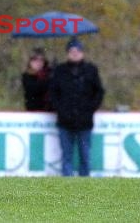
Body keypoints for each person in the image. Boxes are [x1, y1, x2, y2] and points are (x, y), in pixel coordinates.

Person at [49, 37, 104, 177]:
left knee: (85, 156)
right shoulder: (59, 70)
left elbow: (99, 92)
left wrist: (90, 109)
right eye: (72, 51)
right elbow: (53, 93)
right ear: (67, 53)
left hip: (84, 121)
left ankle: (84, 185)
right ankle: (67, 187)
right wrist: (61, 110)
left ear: (82, 53)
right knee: (66, 156)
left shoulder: (91, 70)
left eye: (77, 51)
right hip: (64, 121)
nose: (74, 53)